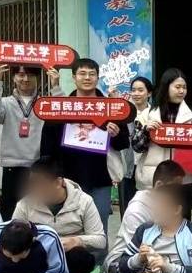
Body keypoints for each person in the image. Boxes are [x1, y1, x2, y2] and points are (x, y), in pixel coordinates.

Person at [39, 58, 130, 224]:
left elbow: (124, 143)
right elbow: (47, 144)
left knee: (99, 227)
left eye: (92, 74)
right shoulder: (62, 106)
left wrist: (116, 134)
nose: (87, 78)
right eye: (82, 73)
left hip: (100, 179)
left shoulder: (110, 106)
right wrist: (51, 174)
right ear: (74, 77)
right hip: (67, 180)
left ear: (98, 78)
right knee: (68, 226)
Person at [12, 157, 106, 273]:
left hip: (69, 257)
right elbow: (12, 237)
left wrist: (77, 241)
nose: (34, 189)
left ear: (58, 182)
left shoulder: (84, 201)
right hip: (37, 255)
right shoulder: (25, 204)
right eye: (32, 183)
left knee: (80, 257)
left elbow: (100, 240)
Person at [0, 62, 52, 219]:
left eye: (30, 75)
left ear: (38, 78)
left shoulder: (45, 103)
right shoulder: (6, 102)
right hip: (13, 164)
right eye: (21, 75)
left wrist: (56, 86)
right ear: (14, 78)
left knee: (39, 208)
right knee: (10, 210)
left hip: (39, 164)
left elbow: (62, 116)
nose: (25, 79)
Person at [108, 159, 186, 273]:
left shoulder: (172, 205)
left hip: (156, 260)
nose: (178, 193)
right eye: (175, 187)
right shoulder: (137, 211)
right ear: (159, 185)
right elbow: (137, 252)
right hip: (122, 263)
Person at [119, 184, 192, 273]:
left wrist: (168, 267)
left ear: (176, 210)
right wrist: (138, 259)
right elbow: (122, 265)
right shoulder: (144, 230)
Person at [134, 68, 192, 204]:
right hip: (152, 178)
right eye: (177, 87)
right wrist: (146, 131)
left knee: (180, 215)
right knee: (152, 215)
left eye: (184, 87)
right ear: (166, 87)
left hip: (183, 179)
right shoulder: (147, 114)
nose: (182, 91)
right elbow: (136, 147)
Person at [119, 76, 154, 214]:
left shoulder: (155, 114)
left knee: (147, 208)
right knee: (127, 209)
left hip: (147, 166)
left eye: (140, 90)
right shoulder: (124, 112)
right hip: (127, 167)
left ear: (149, 93)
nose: (136, 94)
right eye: (133, 90)